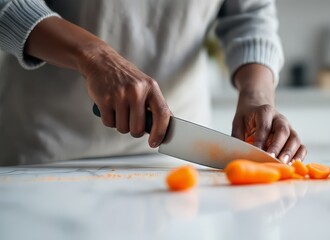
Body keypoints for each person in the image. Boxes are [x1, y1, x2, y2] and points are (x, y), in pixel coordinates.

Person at [0, 0, 307, 166]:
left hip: (176, 159)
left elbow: (250, 15)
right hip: (46, 148)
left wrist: (256, 94)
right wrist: (95, 55)